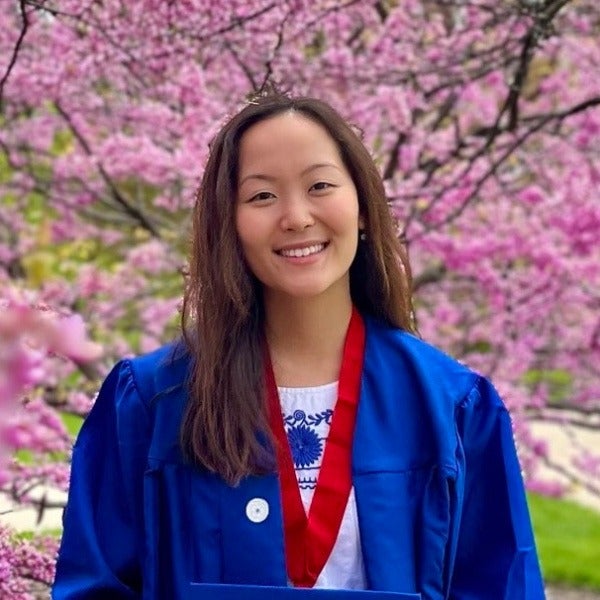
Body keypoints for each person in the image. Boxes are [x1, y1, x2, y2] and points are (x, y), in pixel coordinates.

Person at [52, 93, 546, 599]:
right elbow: (96, 587)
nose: (296, 216)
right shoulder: (154, 400)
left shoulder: (452, 406)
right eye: (262, 196)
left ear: (361, 206)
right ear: (229, 222)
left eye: (320, 186)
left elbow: (501, 586)